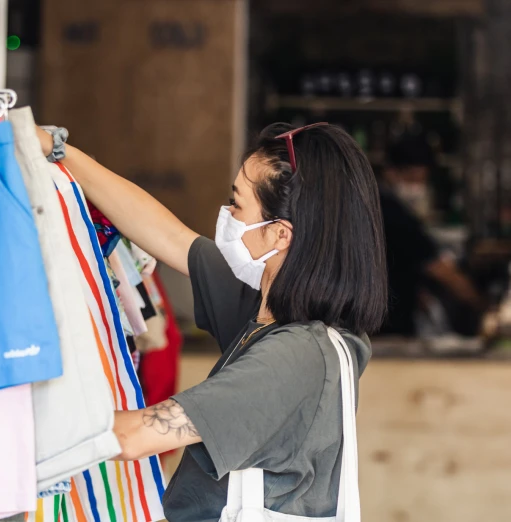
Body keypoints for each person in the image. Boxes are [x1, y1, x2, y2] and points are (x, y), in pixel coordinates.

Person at [37, 122, 387, 521]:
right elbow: (169, 236)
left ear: (278, 235)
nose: (227, 214)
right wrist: (58, 150)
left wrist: (2, 411)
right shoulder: (275, 315)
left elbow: (131, 437)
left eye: (236, 203)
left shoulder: (294, 358)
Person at [379, 133, 483, 336]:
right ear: (391, 172)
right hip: (389, 326)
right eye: (412, 179)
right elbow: (440, 270)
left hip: (381, 317)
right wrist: (481, 304)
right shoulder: (394, 213)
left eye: (422, 180)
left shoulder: (377, 203)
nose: (417, 187)